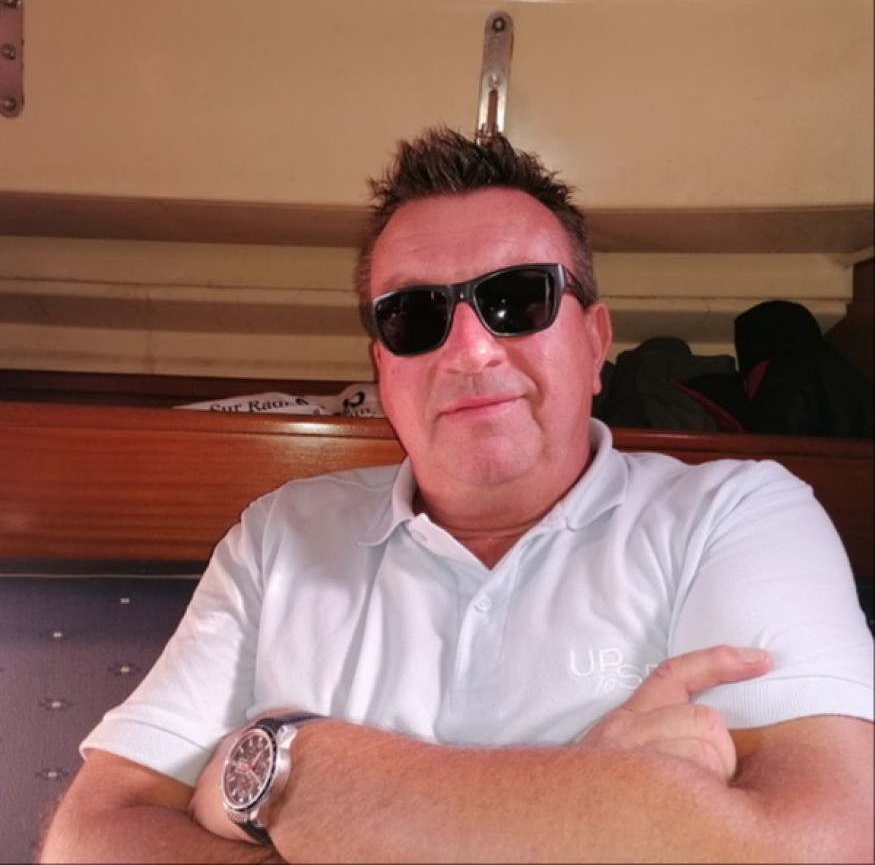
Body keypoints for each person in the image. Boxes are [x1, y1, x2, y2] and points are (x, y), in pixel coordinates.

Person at [39, 127, 873, 864]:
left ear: (594, 339)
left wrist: (291, 769)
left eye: (518, 298)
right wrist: (599, 799)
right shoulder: (277, 536)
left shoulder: (739, 513)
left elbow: (818, 844)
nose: (470, 349)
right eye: (414, 315)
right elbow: (94, 837)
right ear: (382, 366)